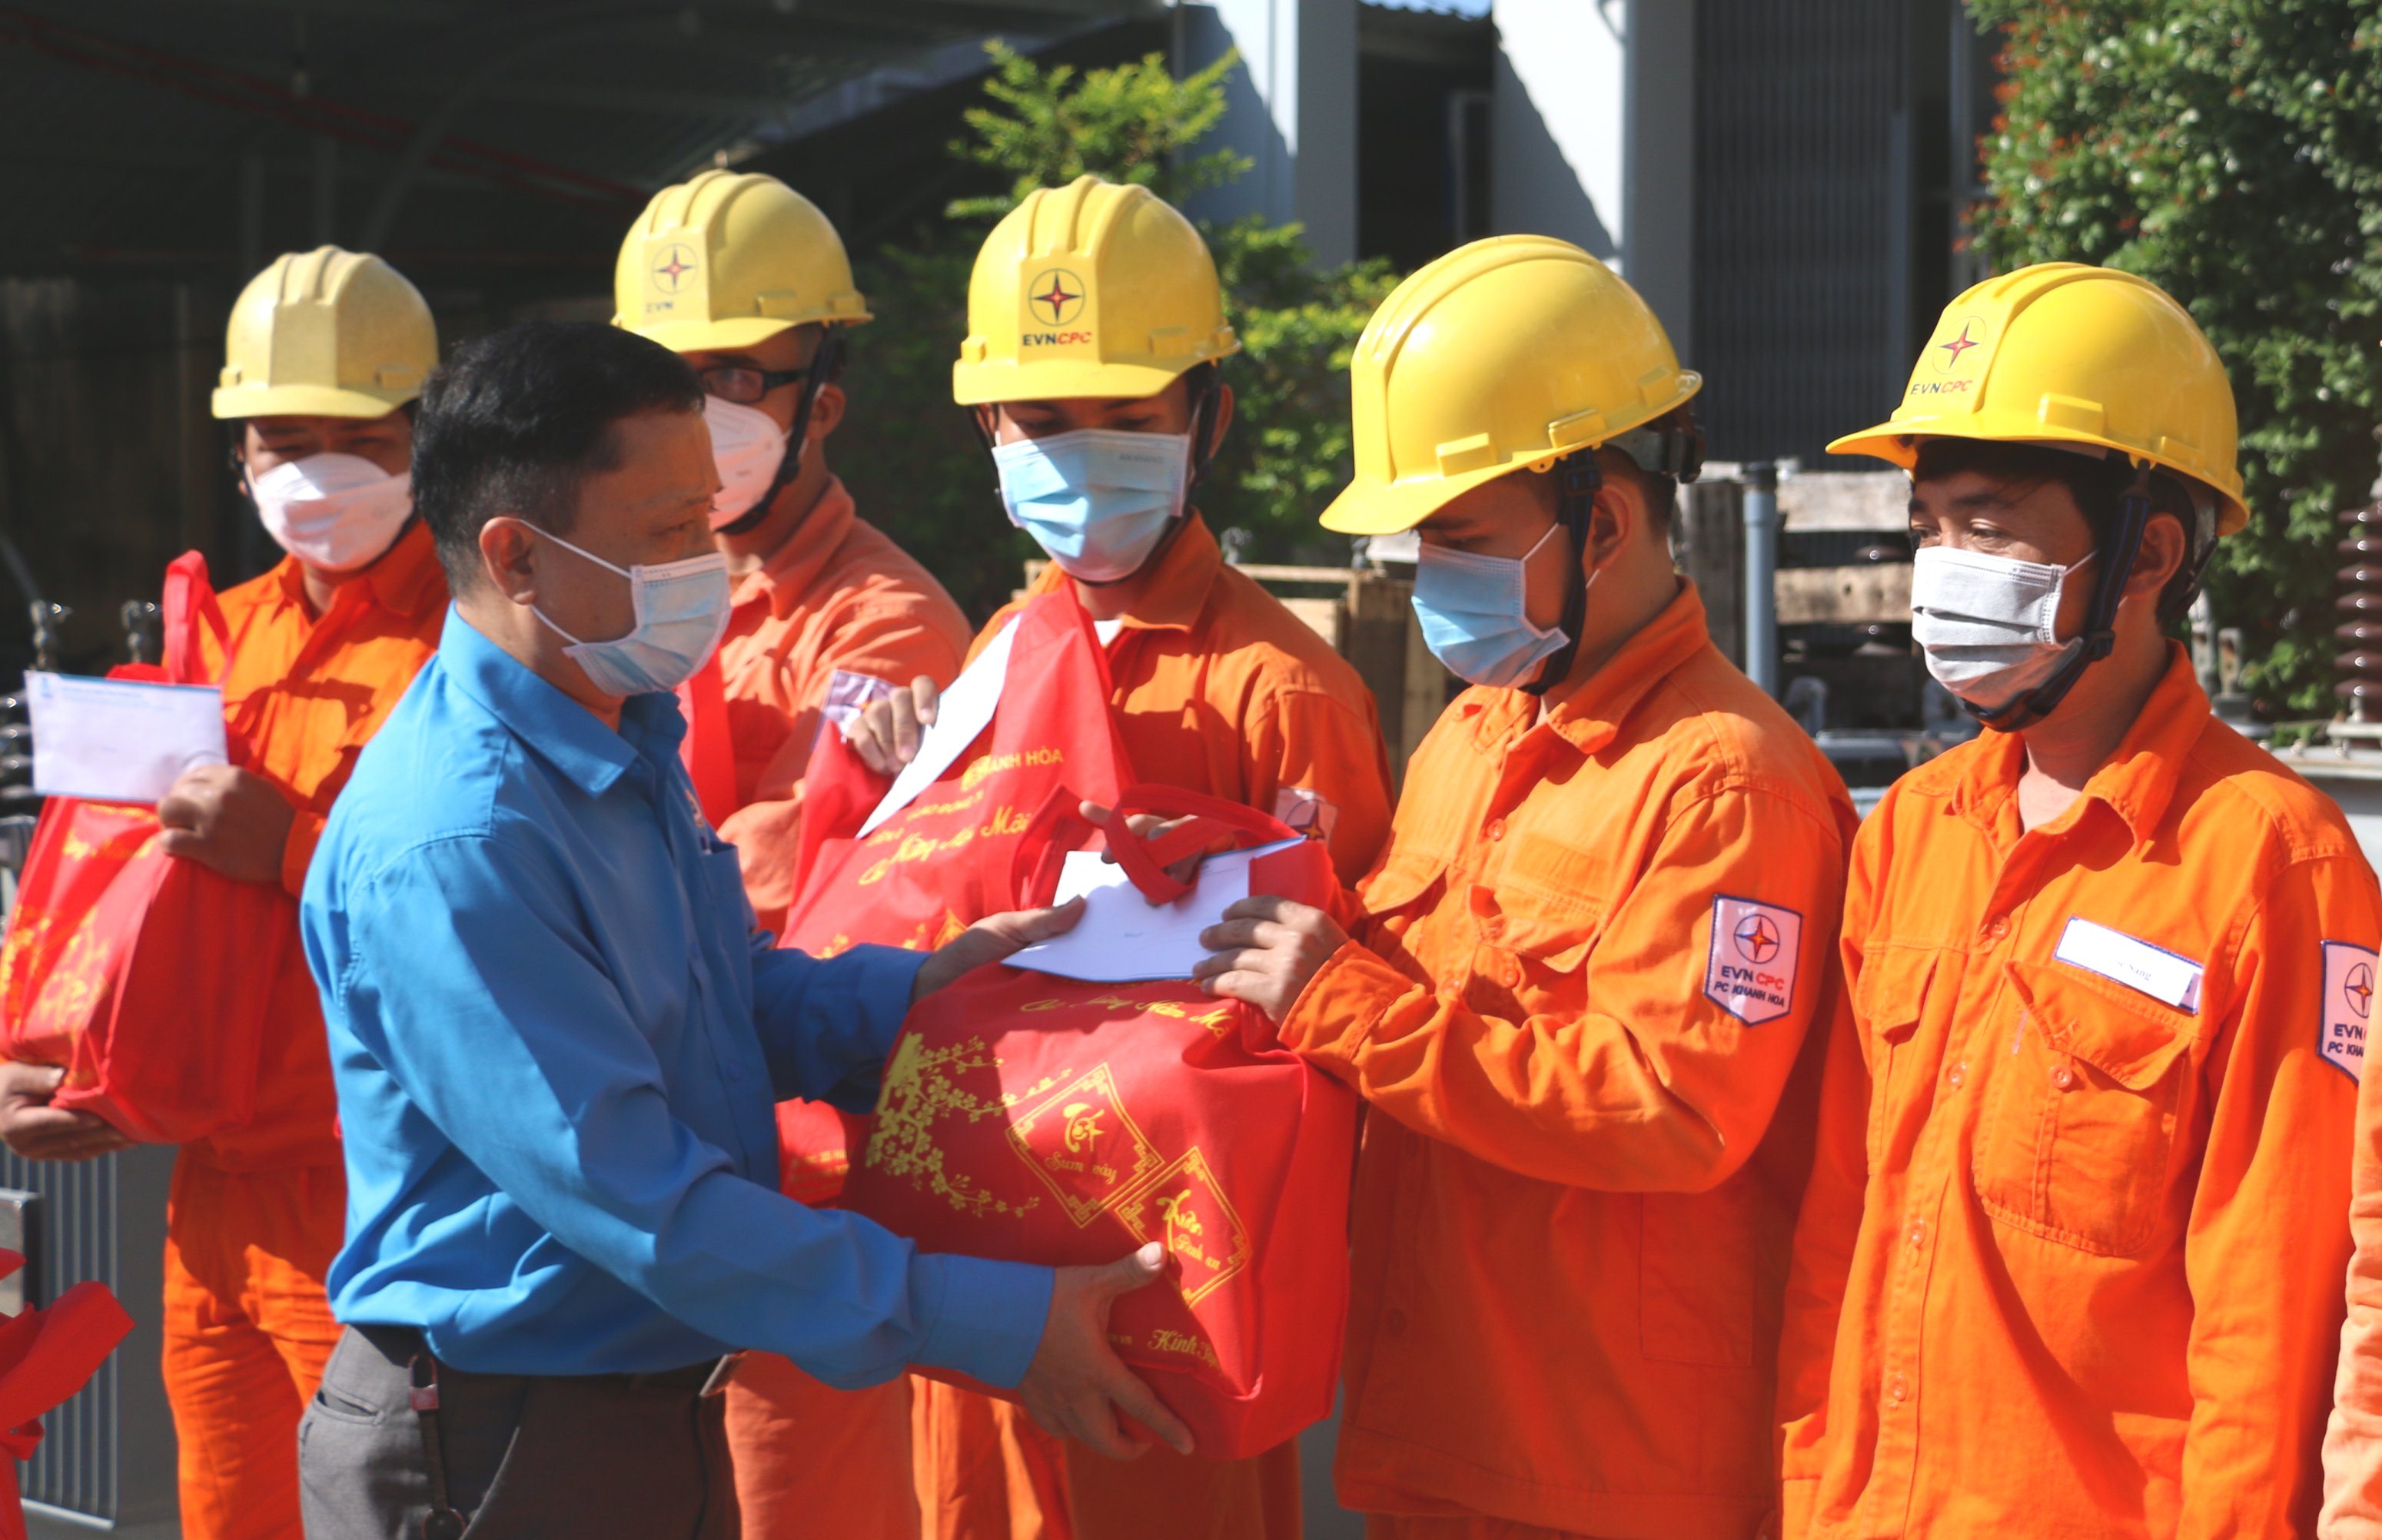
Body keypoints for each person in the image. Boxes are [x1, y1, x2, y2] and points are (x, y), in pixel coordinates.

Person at [294, 320, 1189, 1538]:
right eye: (668, 532)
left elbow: (721, 1002)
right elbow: (639, 1198)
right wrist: (985, 1320)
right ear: (518, 556)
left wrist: (928, 994)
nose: (704, 564)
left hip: (634, 1414)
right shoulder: (459, 841)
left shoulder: (614, 725)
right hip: (499, 1445)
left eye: (703, 521)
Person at [1188, 234, 1857, 1540]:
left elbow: (1673, 1112)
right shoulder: (1477, 730)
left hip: (1609, 1473)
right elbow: (1396, 980)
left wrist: (1341, 1003)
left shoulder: (1729, 784)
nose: (1426, 577)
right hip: (1446, 1429)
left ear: (1600, 523)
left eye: (1456, 538)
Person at [1772, 263, 2380, 1538]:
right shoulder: (1913, 833)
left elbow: (2269, 1313)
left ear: (2147, 553)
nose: (1940, 569)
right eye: (1927, 527)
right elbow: (1839, 1236)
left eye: (1987, 528)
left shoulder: (2275, 865)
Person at [846, 174, 1395, 1540]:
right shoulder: (998, 657)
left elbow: (1346, 1032)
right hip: (977, 1263)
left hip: (1169, 1297)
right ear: (986, 427)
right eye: (1043, 420)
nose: (1082, 455)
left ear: (1207, 416)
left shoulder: (1283, 690)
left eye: (1128, 418)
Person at [0, 246, 445, 1540]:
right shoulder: (219, 631)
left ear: (424, 438)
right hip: (208, 1188)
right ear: (239, 456)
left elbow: (499, 909)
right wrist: (62, 1060)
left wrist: (293, 848)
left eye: (358, 437)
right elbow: (116, 895)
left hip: (381, 1192)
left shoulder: (478, 638)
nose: (318, 470)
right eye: (283, 441)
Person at [614, 166, 974, 1540]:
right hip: (641, 1168)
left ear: (822, 399)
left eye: (734, 378)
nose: (696, 410)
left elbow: (768, 900)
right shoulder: (626, 585)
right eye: (666, 377)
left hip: (797, 1181)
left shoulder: (886, 625)